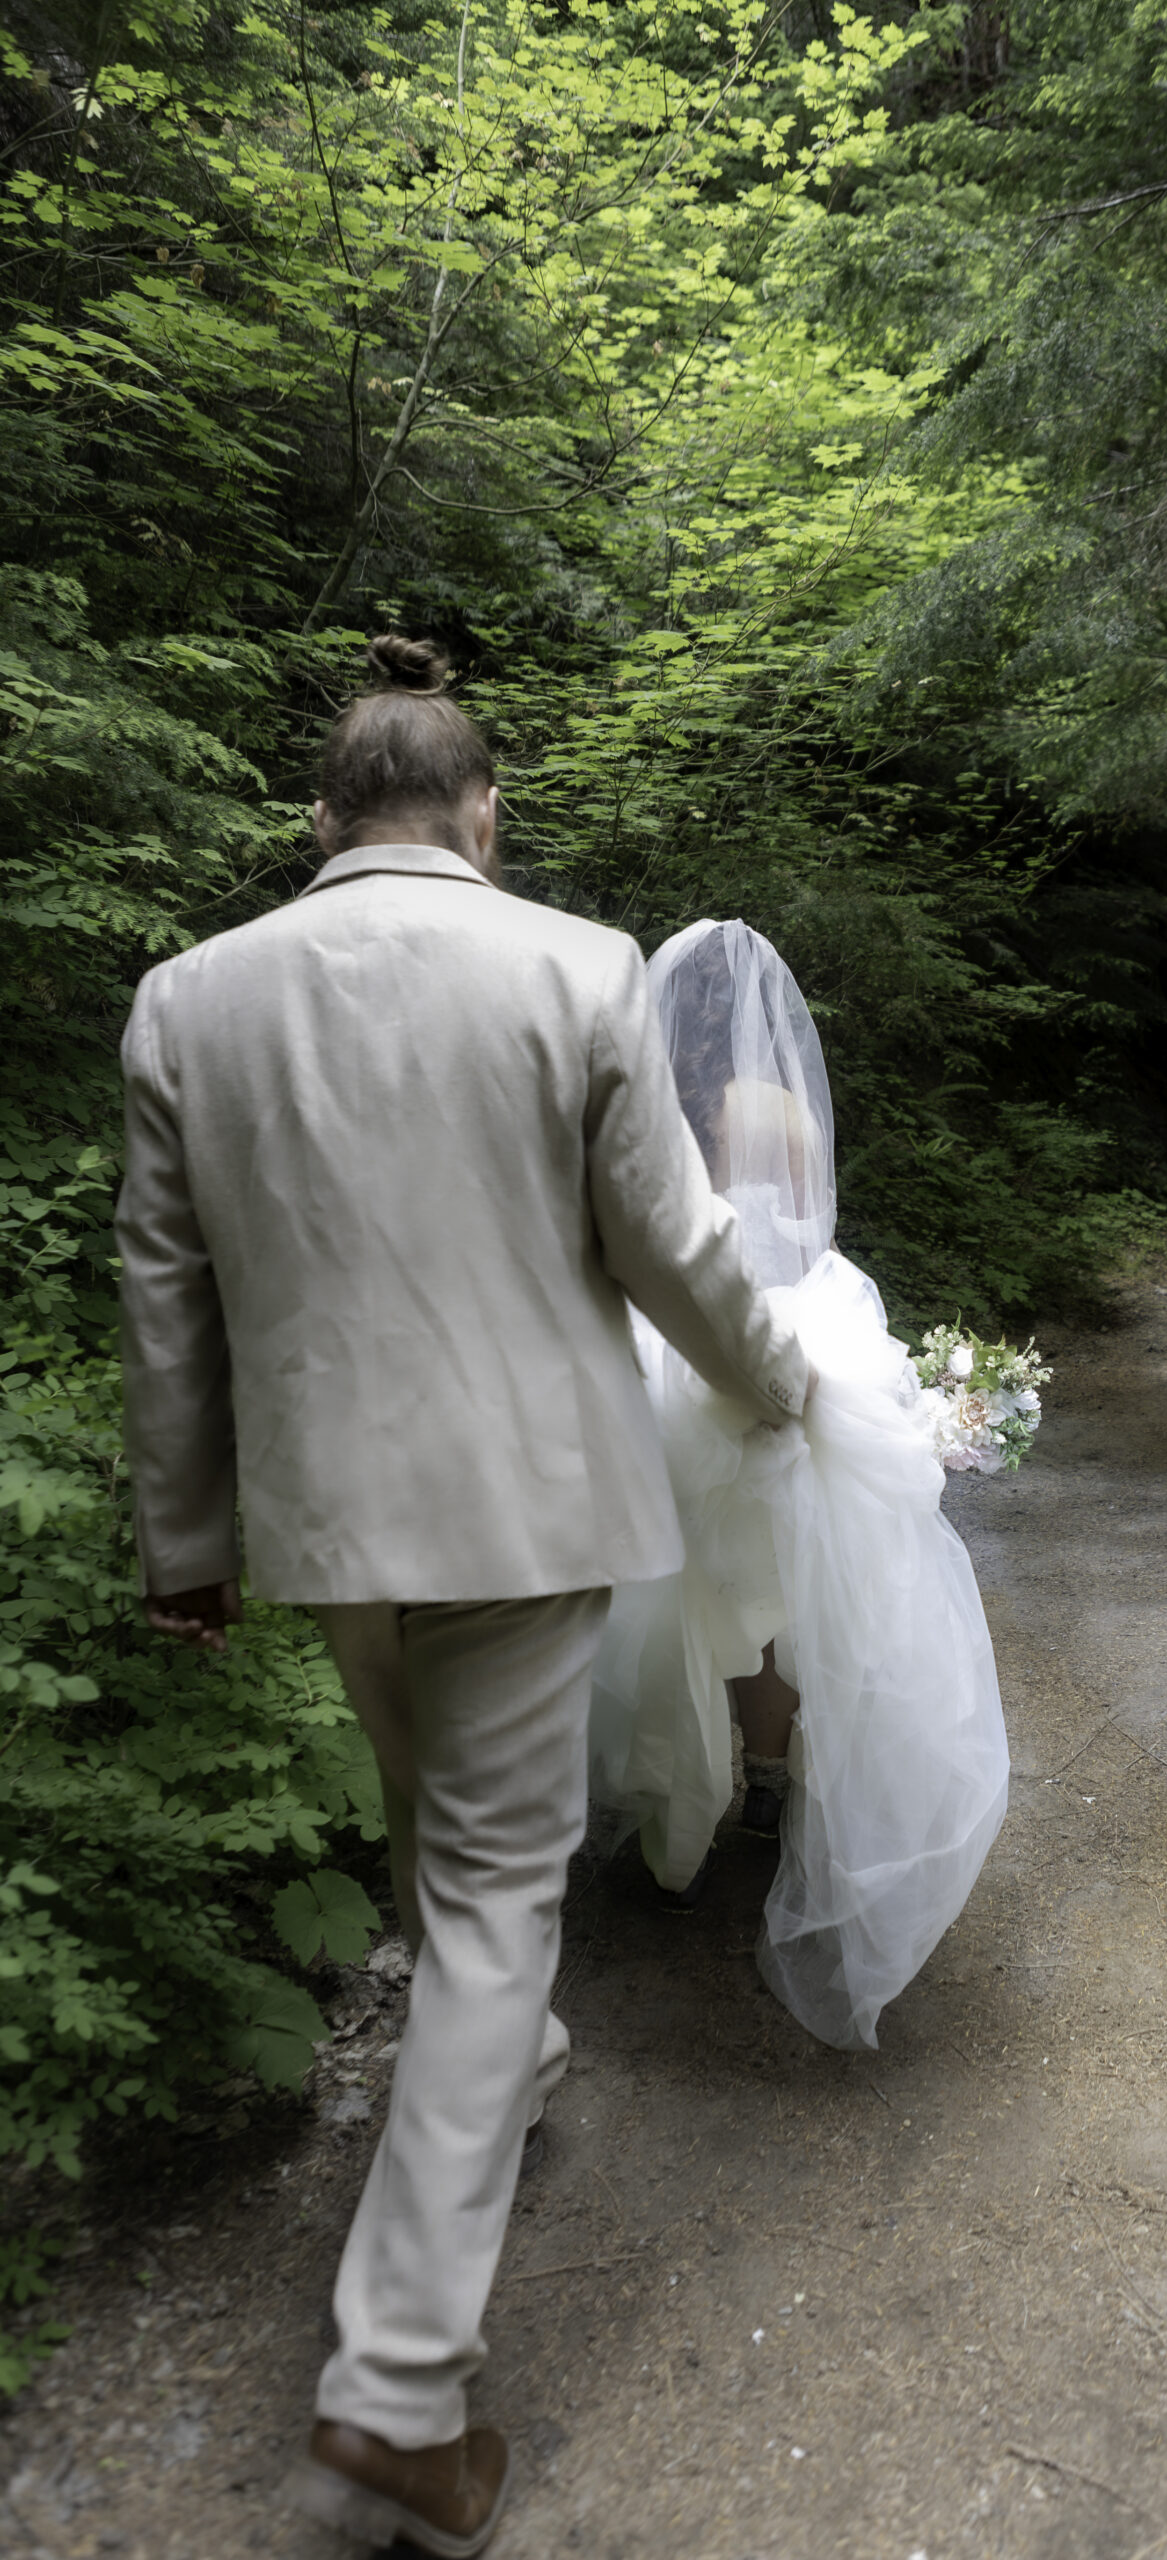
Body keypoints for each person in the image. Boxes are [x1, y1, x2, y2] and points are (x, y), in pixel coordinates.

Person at [116, 642, 810, 2559]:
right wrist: (783, 1393)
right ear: (483, 816)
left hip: (330, 1526)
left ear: (323, 820)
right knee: (495, 1897)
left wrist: (186, 1542)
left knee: (440, 1847)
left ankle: (504, 2075)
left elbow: (162, 1302)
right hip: (523, 1514)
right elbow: (669, 1250)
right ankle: (400, 2398)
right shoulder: (576, 965)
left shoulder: (187, 1001)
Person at [588, 919, 1009, 2050]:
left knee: (690, 1574)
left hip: (681, 1342)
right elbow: (809, 1225)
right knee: (790, 1573)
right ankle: (770, 1773)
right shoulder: (777, 1107)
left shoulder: (644, 1093)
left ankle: (691, 1785)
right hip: (799, 1324)